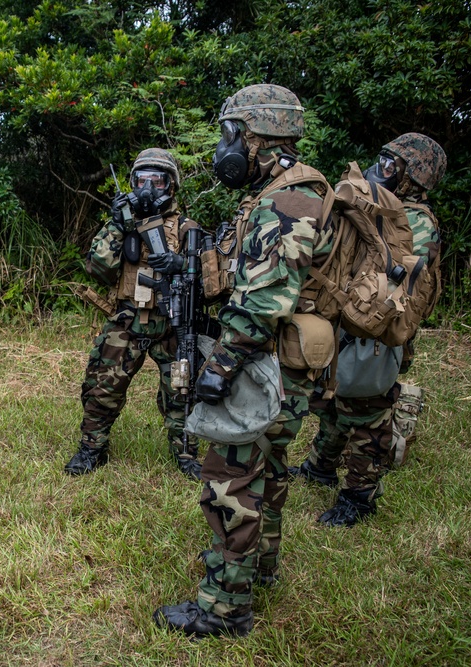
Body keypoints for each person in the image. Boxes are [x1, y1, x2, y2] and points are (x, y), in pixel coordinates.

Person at [153, 84, 335, 637]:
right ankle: (260, 569)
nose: (225, 146)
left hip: (262, 362)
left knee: (231, 482)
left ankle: (224, 608)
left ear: (258, 137)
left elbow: (263, 304)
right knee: (270, 473)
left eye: (232, 134)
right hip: (282, 361)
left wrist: (217, 368)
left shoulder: (288, 201)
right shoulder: (280, 192)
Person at [289, 133, 446, 527]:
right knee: (333, 398)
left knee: (370, 408)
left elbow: (403, 277)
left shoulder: (415, 220)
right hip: (349, 317)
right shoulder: (377, 204)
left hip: (379, 329)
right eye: (382, 159)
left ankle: (360, 495)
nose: (382, 170)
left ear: (416, 178)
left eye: (394, 166)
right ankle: (319, 466)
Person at [64, 148, 206, 481]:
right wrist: (116, 225)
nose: (148, 189)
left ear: (171, 186)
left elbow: (213, 279)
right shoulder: (123, 224)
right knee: (102, 387)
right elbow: (97, 268)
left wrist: (182, 264)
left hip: (174, 322)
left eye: (157, 181)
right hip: (128, 318)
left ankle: (185, 453)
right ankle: (91, 449)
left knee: (182, 391)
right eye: (141, 180)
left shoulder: (187, 228)